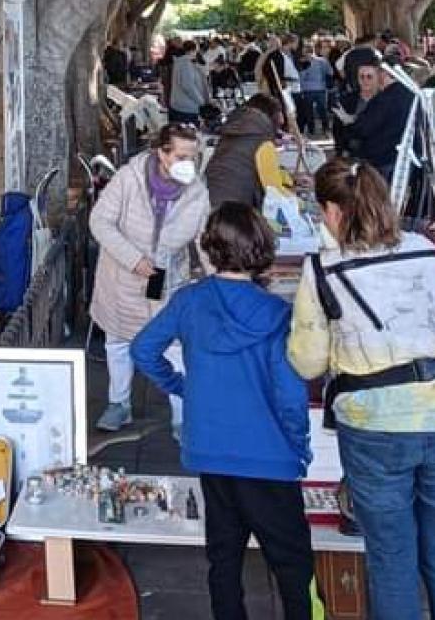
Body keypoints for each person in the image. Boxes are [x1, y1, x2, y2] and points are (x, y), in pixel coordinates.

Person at [290, 160, 435, 620]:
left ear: (331, 212)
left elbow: (306, 360)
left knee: (391, 560)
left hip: (375, 427)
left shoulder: (322, 269)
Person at [132, 202, 313, 620]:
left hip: (210, 448)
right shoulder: (278, 315)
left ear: (210, 249)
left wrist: (181, 387)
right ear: (261, 247)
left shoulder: (189, 301)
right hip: (270, 457)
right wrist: (299, 445)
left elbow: (143, 350)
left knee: (224, 559)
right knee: (292, 565)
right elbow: (290, 394)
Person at [89, 123, 210, 435]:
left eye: (193, 157)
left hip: (169, 282)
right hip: (122, 280)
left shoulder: (197, 191)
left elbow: (205, 242)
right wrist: (134, 260)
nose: (189, 164)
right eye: (182, 156)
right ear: (162, 154)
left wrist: (220, 281)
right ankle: (119, 403)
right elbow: (100, 222)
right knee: (118, 342)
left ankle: (182, 417)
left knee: (175, 349)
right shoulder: (129, 179)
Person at [201, 94, 284, 211]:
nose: (282, 119)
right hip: (237, 209)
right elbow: (274, 189)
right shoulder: (262, 137)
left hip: (212, 201)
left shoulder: (234, 128)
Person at [167, 39, 207, 126]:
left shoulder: (179, 62)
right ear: (193, 50)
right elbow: (188, 86)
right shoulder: (186, 64)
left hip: (178, 105)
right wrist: (201, 101)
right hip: (186, 108)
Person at [295, 46, 332, 137]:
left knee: (309, 111)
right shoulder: (322, 61)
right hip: (320, 88)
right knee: (322, 110)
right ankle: (325, 129)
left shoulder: (302, 62)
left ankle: (312, 130)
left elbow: (300, 77)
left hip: (307, 89)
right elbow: (330, 72)